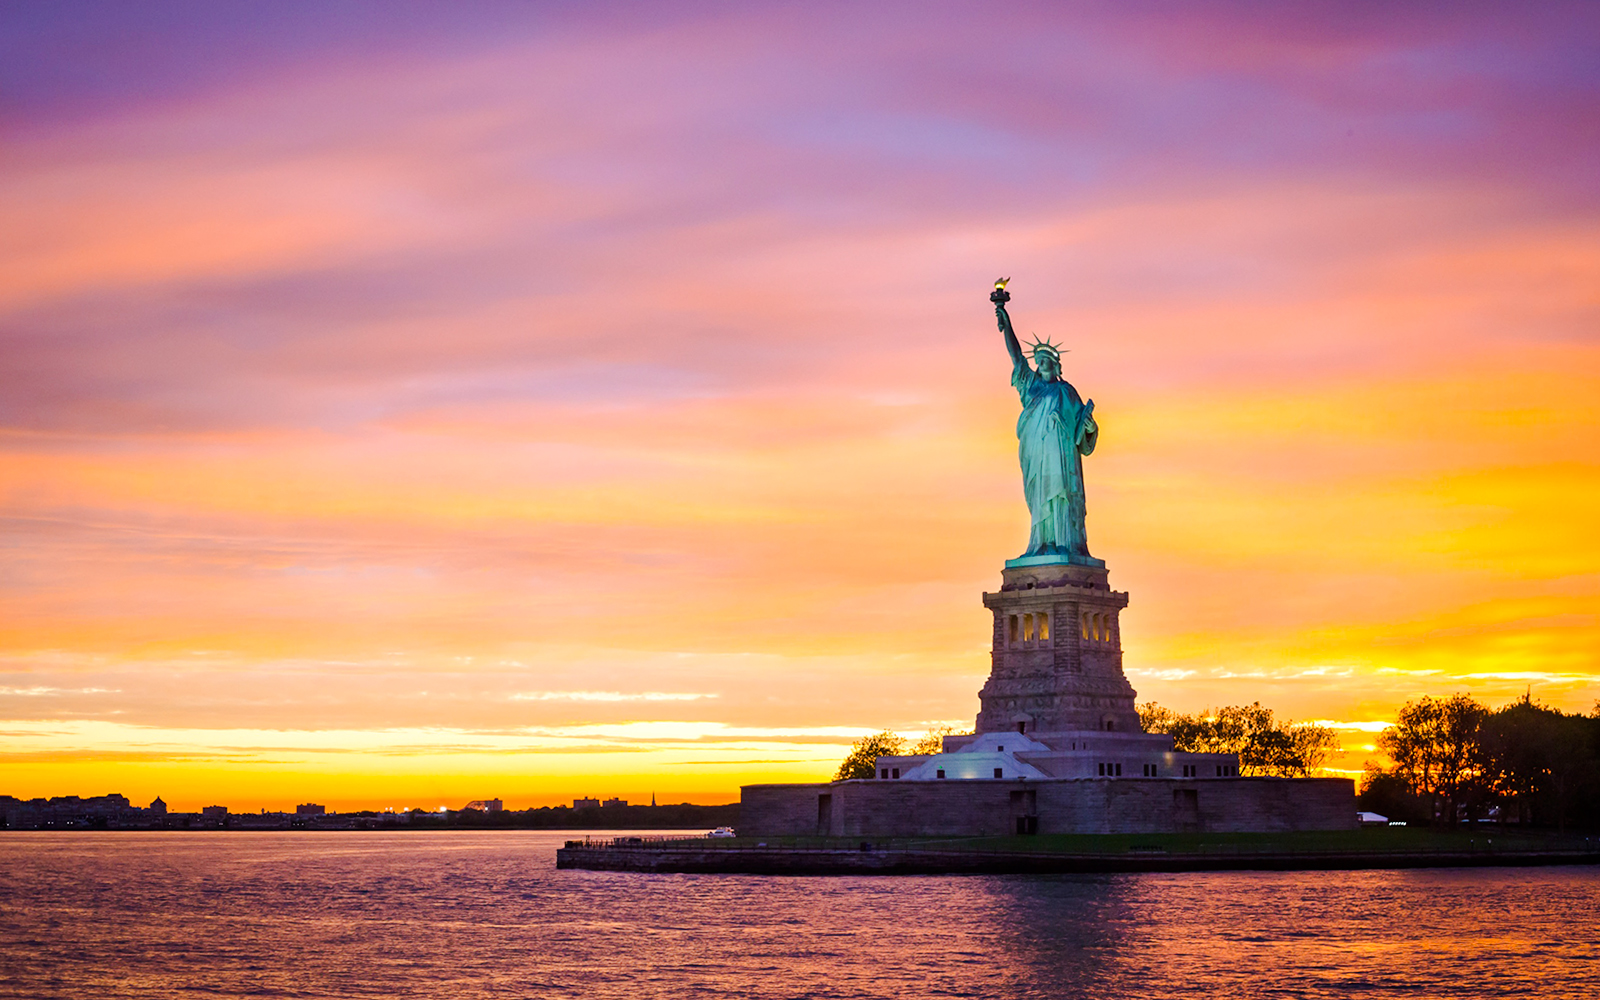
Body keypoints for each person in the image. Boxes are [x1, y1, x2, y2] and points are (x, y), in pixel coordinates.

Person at [993, 283, 1098, 559]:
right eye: (1038, 361)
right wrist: (1005, 318)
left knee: (1061, 496)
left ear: (1055, 364)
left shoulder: (1066, 392)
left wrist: (1089, 427)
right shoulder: (1032, 388)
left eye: (1046, 361)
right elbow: (1016, 357)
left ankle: (1065, 543)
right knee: (1041, 497)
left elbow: (1083, 437)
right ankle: (1042, 543)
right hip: (1038, 456)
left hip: (1062, 458)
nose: (1041, 365)